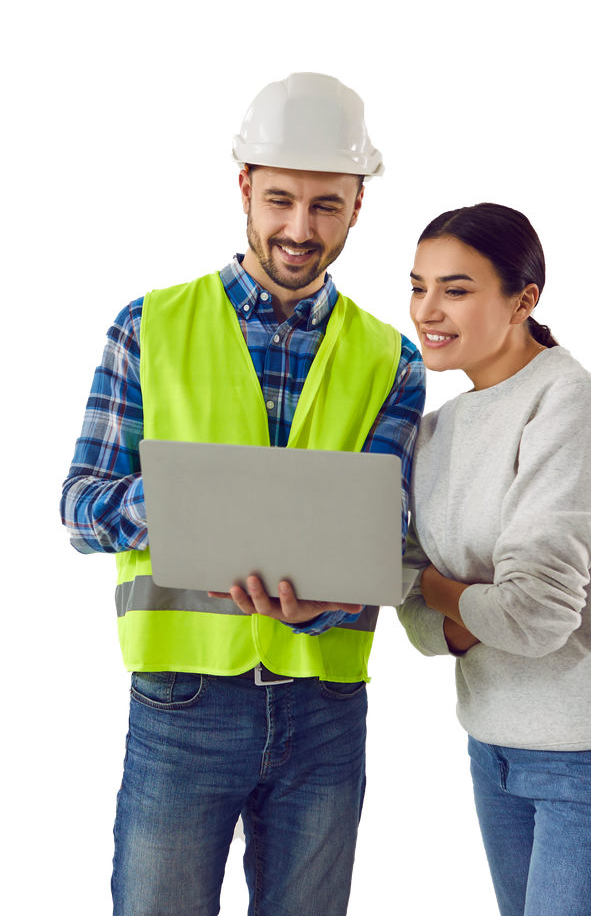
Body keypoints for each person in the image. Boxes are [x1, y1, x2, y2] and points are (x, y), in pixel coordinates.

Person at [59, 71, 426, 915]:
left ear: (359, 205)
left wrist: (330, 599)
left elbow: (391, 528)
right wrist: (186, 500)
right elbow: (80, 508)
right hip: (182, 699)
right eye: (282, 201)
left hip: (327, 705)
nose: (300, 229)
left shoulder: (394, 357)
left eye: (327, 206)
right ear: (244, 190)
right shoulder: (147, 325)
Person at [397, 202, 591, 916]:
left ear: (524, 299)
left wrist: (431, 592)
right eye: (417, 287)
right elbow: (413, 610)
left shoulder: (571, 406)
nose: (427, 310)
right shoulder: (437, 426)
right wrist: (454, 608)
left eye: (456, 289)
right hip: (492, 746)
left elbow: (532, 616)